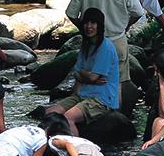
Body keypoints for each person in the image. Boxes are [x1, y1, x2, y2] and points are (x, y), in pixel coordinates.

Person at [65, 0, 143, 84]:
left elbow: (71, 14)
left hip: (92, 43)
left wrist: (84, 29)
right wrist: (126, 26)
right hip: (117, 41)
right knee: (118, 84)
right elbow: (138, 12)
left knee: (90, 83)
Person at [45, 8, 119, 136]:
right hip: (83, 95)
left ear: (99, 26)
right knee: (50, 113)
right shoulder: (86, 45)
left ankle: (76, 152)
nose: (89, 26)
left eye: (93, 23)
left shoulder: (105, 47)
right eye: (86, 23)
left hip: (101, 99)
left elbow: (91, 76)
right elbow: (79, 74)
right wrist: (88, 77)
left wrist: (86, 76)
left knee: (68, 118)